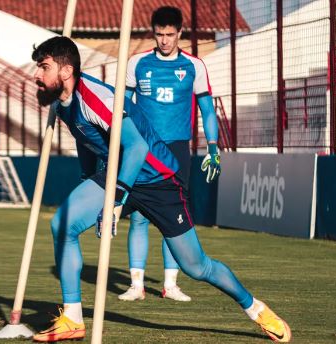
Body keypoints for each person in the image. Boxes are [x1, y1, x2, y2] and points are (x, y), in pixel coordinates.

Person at [30, 36, 291, 343]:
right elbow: (85, 138)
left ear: (65, 70)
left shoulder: (94, 98)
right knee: (63, 224)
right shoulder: (62, 104)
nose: (36, 75)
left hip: (157, 179)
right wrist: (89, 178)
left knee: (196, 266)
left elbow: (137, 148)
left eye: (43, 67)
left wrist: (115, 202)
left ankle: (255, 308)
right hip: (116, 172)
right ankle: (73, 318)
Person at [119, 6, 220, 302]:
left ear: (179, 34)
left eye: (169, 35)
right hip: (143, 147)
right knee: (138, 215)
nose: (164, 40)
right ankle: (136, 285)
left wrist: (212, 147)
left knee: (173, 217)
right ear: (154, 33)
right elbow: (121, 107)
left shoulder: (194, 66)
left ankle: (170, 284)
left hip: (177, 149)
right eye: (159, 34)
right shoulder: (137, 63)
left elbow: (207, 109)